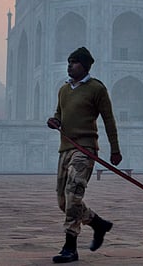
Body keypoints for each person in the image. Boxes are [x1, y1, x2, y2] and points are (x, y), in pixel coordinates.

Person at [46, 47, 121, 263]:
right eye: (69, 62)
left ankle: (70, 247)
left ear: (85, 66)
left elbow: (108, 120)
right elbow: (59, 113)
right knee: (63, 202)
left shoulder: (96, 89)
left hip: (85, 150)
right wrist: (55, 121)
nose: (69, 66)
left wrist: (115, 149)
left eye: (75, 62)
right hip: (66, 148)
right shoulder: (64, 90)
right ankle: (98, 224)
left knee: (73, 196)